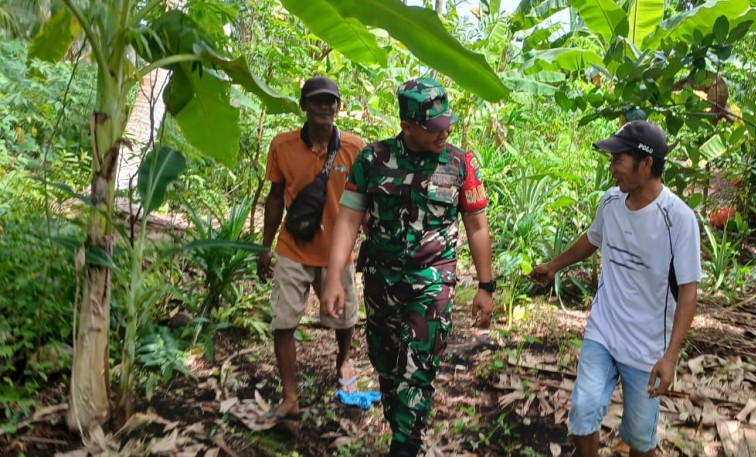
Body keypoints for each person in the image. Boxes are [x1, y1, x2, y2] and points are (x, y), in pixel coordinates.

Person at [319, 76, 495, 457]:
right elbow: (348, 220)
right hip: (381, 282)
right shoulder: (373, 160)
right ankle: (401, 427)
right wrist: (335, 277)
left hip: (433, 282)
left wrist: (486, 285)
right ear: (408, 126)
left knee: (416, 371)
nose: (444, 133)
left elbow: (477, 225)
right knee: (386, 365)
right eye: (434, 128)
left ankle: (405, 445)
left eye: (447, 124)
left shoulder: (460, 162)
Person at [530, 120, 702, 457]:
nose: (612, 169)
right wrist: (553, 266)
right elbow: (592, 240)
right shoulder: (611, 202)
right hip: (604, 332)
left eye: (618, 160)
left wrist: (670, 357)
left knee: (639, 440)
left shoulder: (677, 219)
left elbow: (688, 293)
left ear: (646, 163)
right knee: (582, 410)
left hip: (648, 347)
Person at [257, 75, 365, 423]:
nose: (324, 106)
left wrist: (370, 241)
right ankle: (290, 397)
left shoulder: (354, 148)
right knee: (284, 321)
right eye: (316, 100)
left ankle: (343, 360)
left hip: (338, 252)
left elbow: (366, 201)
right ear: (303, 105)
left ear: (338, 107)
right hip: (293, 248)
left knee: (345, 319)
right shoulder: (283, 146)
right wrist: (265, 246)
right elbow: (275, 198)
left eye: (330, 101)